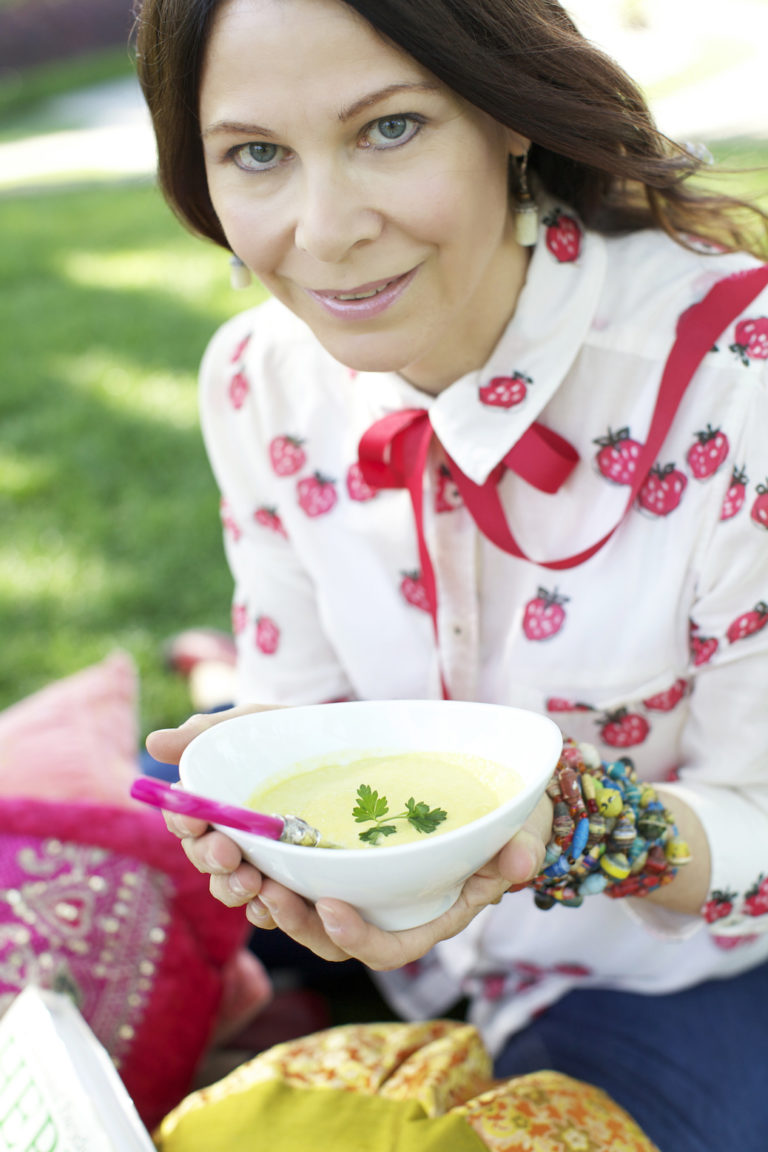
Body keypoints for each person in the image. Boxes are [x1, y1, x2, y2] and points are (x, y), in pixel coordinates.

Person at [133, 0, 768, 1146]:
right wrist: (274, 805)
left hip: (682, 961)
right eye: (257, 154)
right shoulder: (256, 375)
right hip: (388, 884)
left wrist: (550, 828)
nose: (324, 232)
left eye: (388, 129)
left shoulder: (742, 385)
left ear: (507, 115)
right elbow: (306, 714)